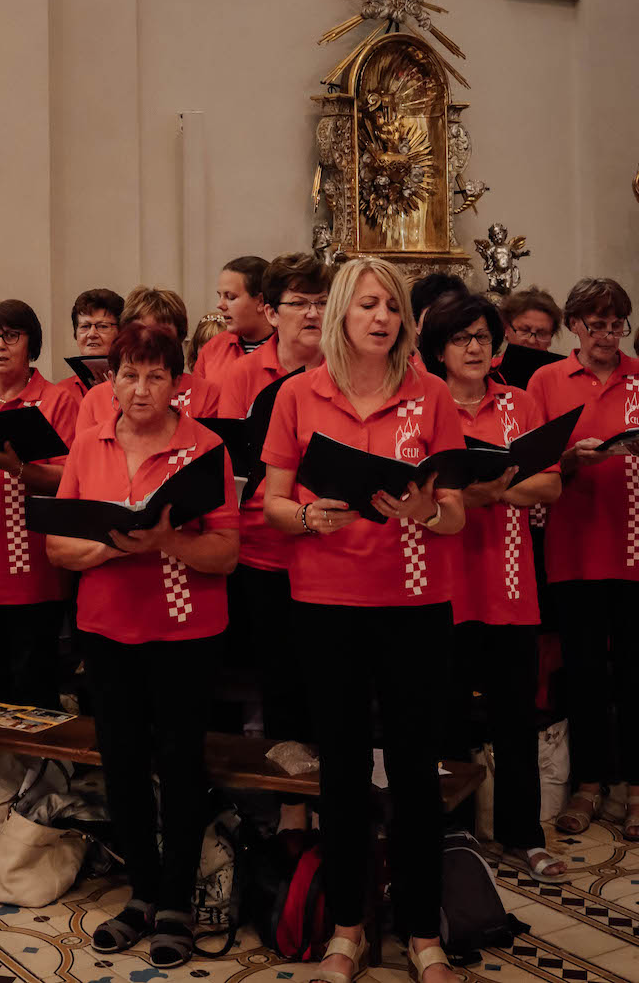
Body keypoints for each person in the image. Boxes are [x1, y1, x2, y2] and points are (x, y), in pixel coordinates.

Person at [262, 257, 466, 983]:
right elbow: (274, 503)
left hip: (415, 602)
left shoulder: (431, 392)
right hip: (328, 601)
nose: (382, 318)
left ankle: (421, 932)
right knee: (341, 771)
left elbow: (456, 512)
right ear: (343, 313)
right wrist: (308, 516)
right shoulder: (298, 394)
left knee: (415, 770)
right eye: (368, 305)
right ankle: (347, 927)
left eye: (392, 307)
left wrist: (425, 510)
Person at [46, 323, 239, 968]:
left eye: (156, 375)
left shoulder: (205, 447)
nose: (141, 387)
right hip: (107, 630)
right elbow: (58, 546)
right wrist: (114, 545)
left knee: (181, 766)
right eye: (129, 373)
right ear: (111, 379)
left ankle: (179, 901)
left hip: (185, 631)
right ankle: (143, 895)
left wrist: (164, 544)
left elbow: (226, 552)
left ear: (178, 383)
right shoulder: (90, 443)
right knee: (122, 766)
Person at [419, 292, 565, 878]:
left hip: (510, 587)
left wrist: (484, 491)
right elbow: (420, 493)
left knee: (514, 717)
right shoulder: (424, 404)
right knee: (446, 718)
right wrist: (495, 488)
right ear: (439, 350)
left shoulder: (520, 403)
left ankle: (523, 835)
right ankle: (454, 836)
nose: (475, 347)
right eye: (462, 339)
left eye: (484, 337)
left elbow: (549, 487)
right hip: (444, 585)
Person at [218, 252, 331, 827]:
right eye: (299, 303)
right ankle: (290, 813)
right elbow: (231, 472)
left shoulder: (345, 370)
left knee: (329, 677)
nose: (312, 313)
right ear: (270, 310)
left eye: (320, 302)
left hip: (332, 551)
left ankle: (333, 803)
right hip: (265, 549)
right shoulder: (242, 376)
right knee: (281, 678)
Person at [528, 278, 639, 842]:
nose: (606, 334)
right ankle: (591, 784)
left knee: (636, 671)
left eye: (616, 323)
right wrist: (569, 461)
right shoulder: (547, 380)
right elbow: (530, 469)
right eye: (595, 323)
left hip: (633, 545)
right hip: (573, 546)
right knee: (586, 672)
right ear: (574, 325)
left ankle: (637, 791)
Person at [0, 299, 80, 708]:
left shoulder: (59, 402)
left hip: (35, 573)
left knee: (34, 693)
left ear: (30, 343)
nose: (0, 346)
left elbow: (75, 481)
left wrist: (17, 468)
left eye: (11, 336)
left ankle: (37, 772)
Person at [77, 287, 220, 430]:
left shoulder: (206, 393)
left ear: (179, 336)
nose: (150, 342)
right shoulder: (95, 398)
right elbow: (86, 450)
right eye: (140, 331)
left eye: (162, 334)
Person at [192, 256, 272, 386]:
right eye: (220, 296)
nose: (220, 305)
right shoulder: (212, 349)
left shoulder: (288, 351)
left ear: (260, 301)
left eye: (230, 297)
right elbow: (199, 403)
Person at [58, 287, 124, 401]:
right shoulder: (61, 393)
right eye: (85, 326)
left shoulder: (137, 389)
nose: (92, 334)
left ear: (121, 333)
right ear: (75, 334)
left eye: (103, 326)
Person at [499, 286, 563, 353]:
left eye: (542, 334)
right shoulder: (490, 363)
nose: (532, 341)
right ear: (506, 329)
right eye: (524, 330)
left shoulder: (563, 363)